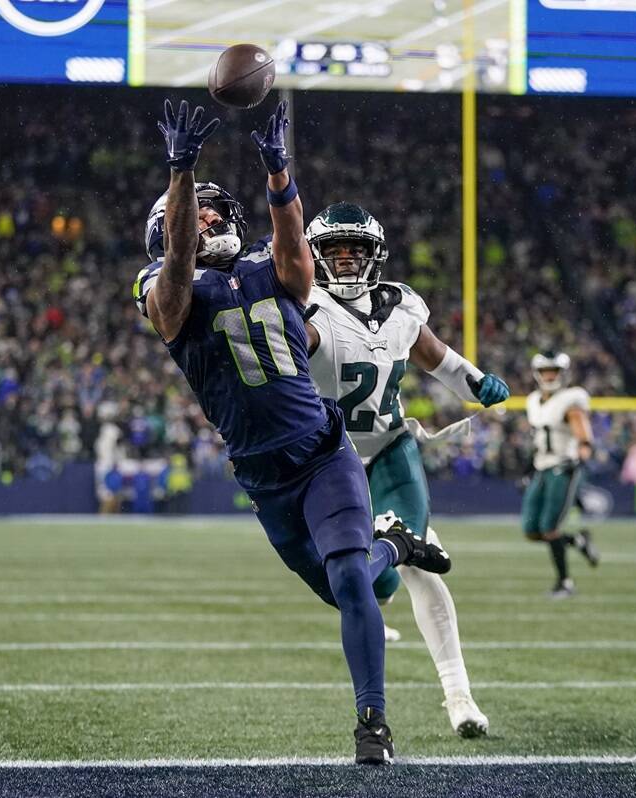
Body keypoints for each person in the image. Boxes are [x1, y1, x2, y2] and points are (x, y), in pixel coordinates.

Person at [133, 101, 451, 765]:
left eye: (220, 211)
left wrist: (279, 173)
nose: (212, 219)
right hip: (263, 475)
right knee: (349, 582)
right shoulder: (162, 291)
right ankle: (393, 545)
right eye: (199, 214)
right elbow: (178, 270)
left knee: (348, 585)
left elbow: (293, 251)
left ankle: (373, 726)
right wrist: (181, 169)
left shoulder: (267, 269)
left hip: (323, 452)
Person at [302, 202, 509, 738]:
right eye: (334, 251)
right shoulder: (302, 307)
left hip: (392, 447)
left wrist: (476, 382)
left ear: (376, 256)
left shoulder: (399, 307)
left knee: (417, 559)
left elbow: (435, 356)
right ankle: (383, 577)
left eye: (356, 250)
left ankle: (459, 697)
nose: (346, 261)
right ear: (314, 257)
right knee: (377, 576)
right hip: (331, 459)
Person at [523, 352, 600, 598]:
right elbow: (537, 438)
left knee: (550, 528)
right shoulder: (534, 400)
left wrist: (583, 452)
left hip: (562, 467)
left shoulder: (571, 400)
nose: (550, 375)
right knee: (531, 529)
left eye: (554, 371)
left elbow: (583, 435)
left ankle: (565, 583)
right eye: (546, 370)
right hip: (541, 467)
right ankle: (578, 540)